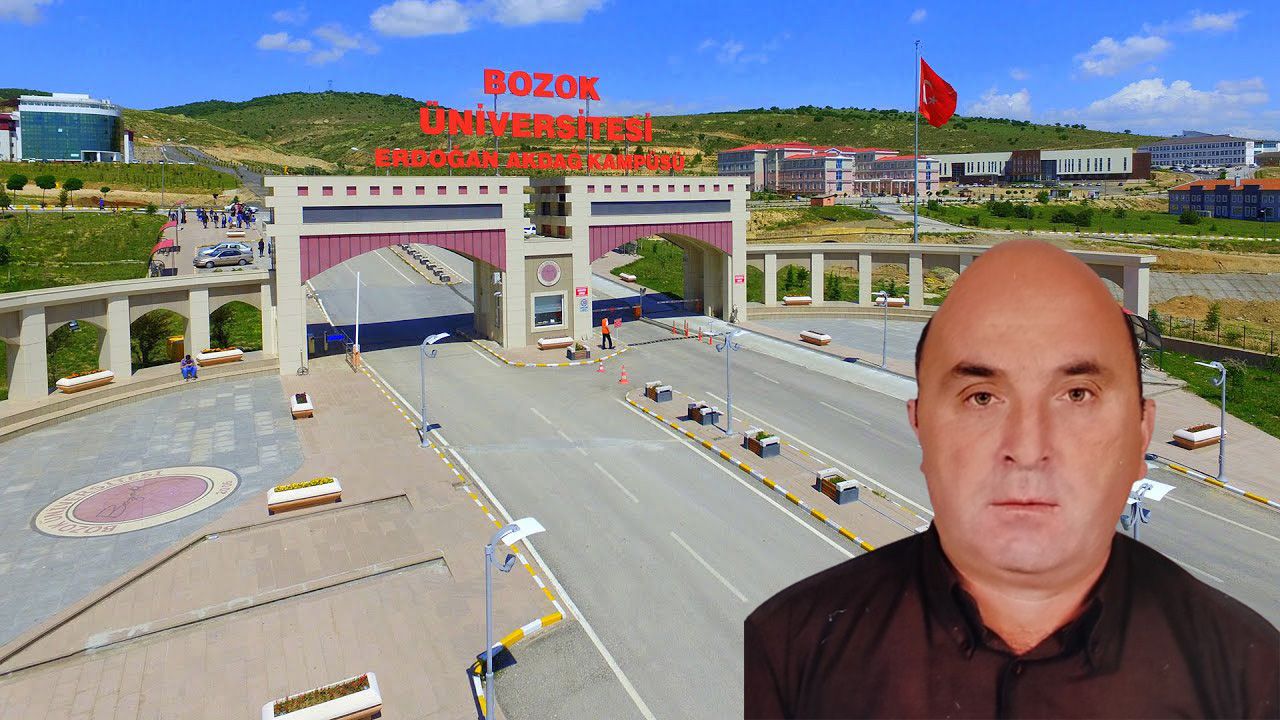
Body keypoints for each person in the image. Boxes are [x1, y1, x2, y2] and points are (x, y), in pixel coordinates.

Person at [744, 240, 1278, 719]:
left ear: (1141, 433)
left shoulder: (1245, 675)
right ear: (920, 426)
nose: (1026, 448)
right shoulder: (796, 647)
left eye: (1077, 395)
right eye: (982, 398)